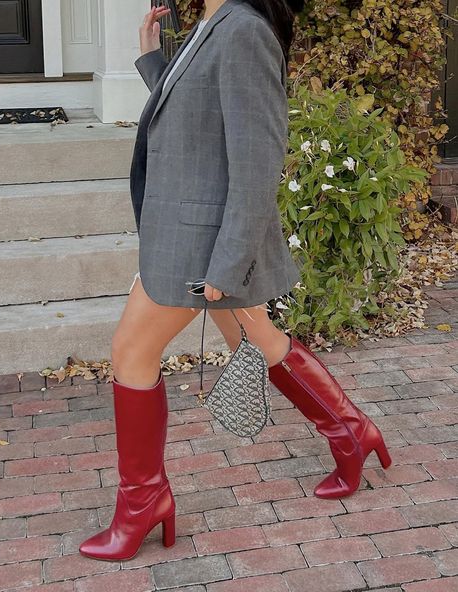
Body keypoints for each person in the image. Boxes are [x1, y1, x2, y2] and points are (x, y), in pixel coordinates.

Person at [79, 0, 392, 562]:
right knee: (257, 343)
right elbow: (192, 114)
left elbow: (257, 159)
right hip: (189, 230)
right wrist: (154, 61)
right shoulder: (212, 22)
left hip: (204, 244)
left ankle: (143, 502)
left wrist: (228, 265)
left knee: (130, 351)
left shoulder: (245, 30)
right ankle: (352, 432)